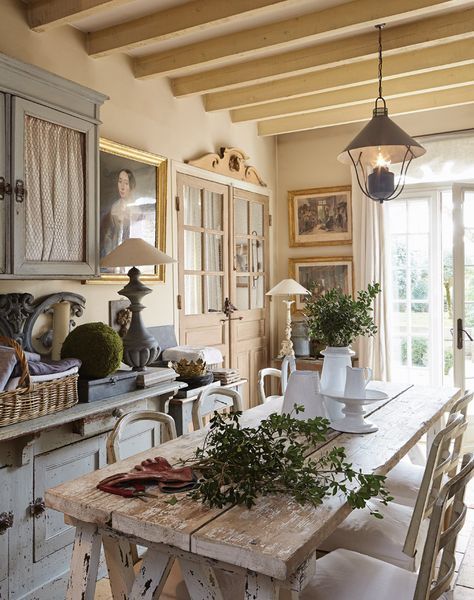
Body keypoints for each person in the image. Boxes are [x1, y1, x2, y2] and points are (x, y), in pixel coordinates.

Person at [100, 168, 136, 268]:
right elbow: (109, 236)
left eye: (126, 183)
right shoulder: (115, 207)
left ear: (131, 185)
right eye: (120, 182)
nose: (122, 187)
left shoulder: (137, 207)